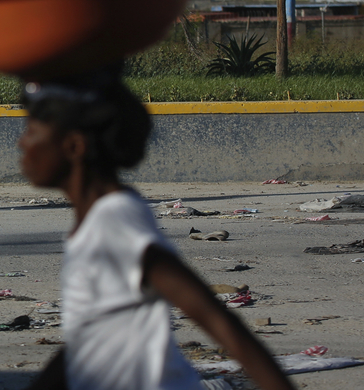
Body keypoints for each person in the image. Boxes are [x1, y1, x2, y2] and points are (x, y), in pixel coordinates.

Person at [19, 67, 293, 390]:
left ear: (74, 146)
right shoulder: (98, 219)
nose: (22, 144)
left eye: (31, 131)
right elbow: (90, 341)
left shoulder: (114, 222)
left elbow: (215, 318)